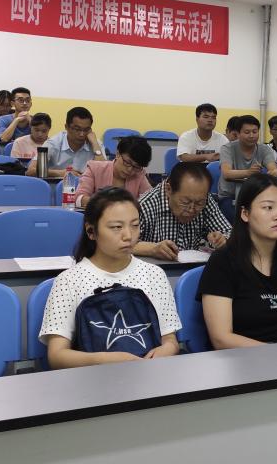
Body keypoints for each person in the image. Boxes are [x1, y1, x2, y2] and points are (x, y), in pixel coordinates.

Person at [38, 187, 181, 368]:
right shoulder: (68, 281)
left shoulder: (155, 274)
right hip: (93, 378)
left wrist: (167, 350)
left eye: (135, 225)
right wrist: (107, 361)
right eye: (116, 227)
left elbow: (170, 339)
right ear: (91, 231)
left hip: (150, 373)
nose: (128, 236)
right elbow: (57, 356)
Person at [198, 174, 277, 348]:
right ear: (245, 213)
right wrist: (274, 356)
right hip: (239, 358)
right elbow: (221, 338)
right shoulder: (222, 262)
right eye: (268, 207)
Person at [134, 161, 231, 261]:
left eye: (199, 203)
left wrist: (222, 240)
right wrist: (152, 249)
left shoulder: (203, 199)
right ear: (169, 190)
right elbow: (125, 242)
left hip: (192, 267)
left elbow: (229, 232)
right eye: (185, 202)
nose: (192, 209)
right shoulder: (145, 205)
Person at [218, 115, 277, 220]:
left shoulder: (264, 149)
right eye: (247, 132)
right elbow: (227, 173)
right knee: (237, 221)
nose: (251, 136)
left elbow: (275, 169)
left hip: (255, 196)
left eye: (255, 132)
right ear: (238, 134)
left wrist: (273, 173)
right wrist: (249, 172)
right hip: (229, 197)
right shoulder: (227, 148)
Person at [75, 135, 153, 208]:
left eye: (136, 167)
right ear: (118, 154)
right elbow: (79, 198)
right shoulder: (95, 168)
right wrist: (106, 204)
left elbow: (151, 201)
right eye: (127, 162)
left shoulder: (139, 174)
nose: (130, 170)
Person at [25, 107, 104, 177]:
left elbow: (104, 172)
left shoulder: (96, 144)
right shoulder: (52, 143)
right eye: (77, 129)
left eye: (86, 130)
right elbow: (31, 171)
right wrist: (59, 173)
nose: (82, 134)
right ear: (66, 127)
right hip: (56, 186)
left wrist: (95, 144)